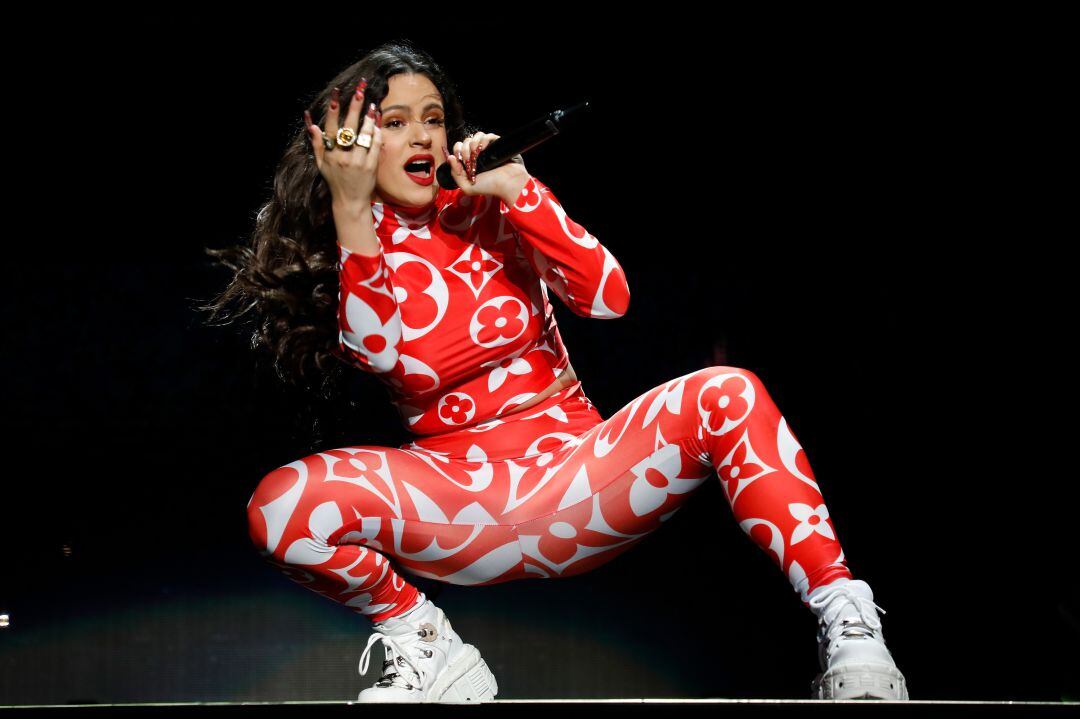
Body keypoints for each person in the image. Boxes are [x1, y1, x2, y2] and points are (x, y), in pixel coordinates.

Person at [203, 40, 908, 703]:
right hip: (459, 507)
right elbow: (388, 353)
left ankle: (848, 621)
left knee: (729, 391)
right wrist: (350, 207)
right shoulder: (349, 244)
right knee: (280, 507)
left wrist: (519, 190)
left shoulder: (490, 205)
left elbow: (609, 297)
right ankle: (425, 641)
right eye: (395, 122)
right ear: (353, 143)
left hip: (580, 476)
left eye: (433, 118)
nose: (422, 136)